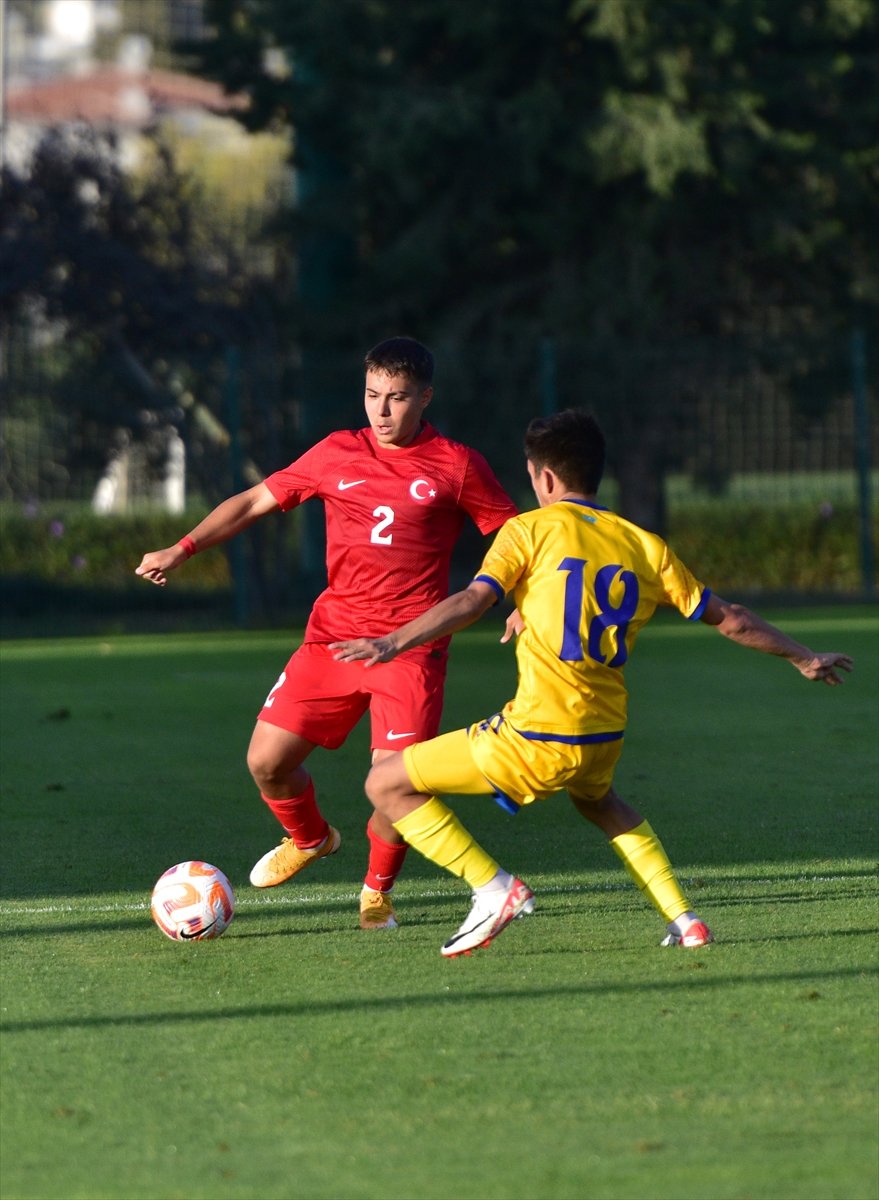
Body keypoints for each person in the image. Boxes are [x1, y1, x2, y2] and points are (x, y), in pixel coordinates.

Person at [331, 408, 854, 957]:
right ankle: (686, 920)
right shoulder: (643, 543)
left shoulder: (528, 530)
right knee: (602, 804)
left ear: (546, 479)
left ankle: (493, 890)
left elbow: (471, 600)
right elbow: (733, 618)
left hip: (538, 735)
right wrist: (802, 655)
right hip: (603, 733)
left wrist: (392, 642)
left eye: (532, 475)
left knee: (386, 784)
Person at [136, 337, 518, 929]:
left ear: (425, 397)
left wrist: (518, 597)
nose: (382, 411)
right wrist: (181, 548)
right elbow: (251, 503)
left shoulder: (456, 464)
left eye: (396, 398)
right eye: (372, 396)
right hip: (332, 640)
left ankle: (376, 890)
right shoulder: (336, 453)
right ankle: (311, 839)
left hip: (409, 650)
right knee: (266, 762)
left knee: (391, 781)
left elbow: (517, 536)